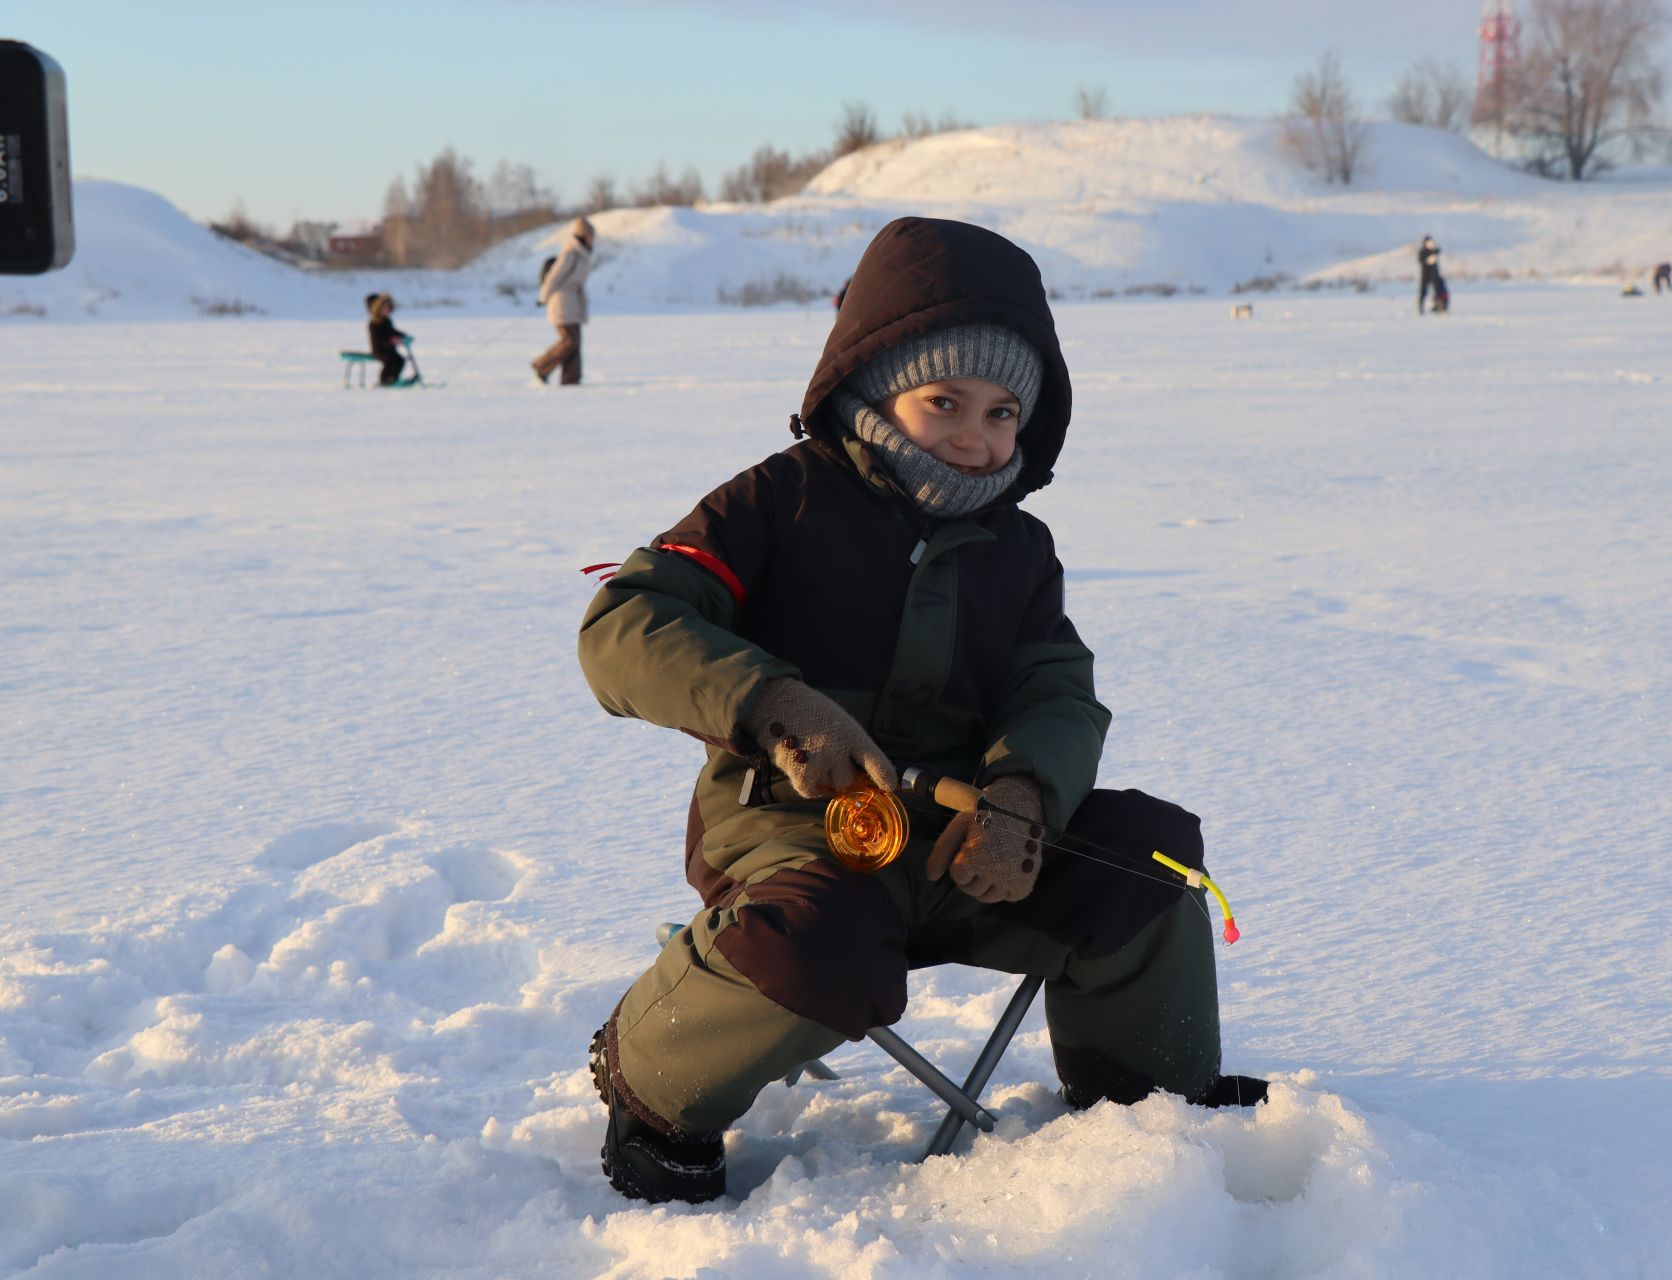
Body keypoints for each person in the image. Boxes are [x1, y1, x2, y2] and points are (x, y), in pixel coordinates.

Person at [578, 217, 1265, 1205]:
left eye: (1002, 413)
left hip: (968, 849)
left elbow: (1057, 688)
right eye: (945, 400)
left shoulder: (1019, 548)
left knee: (1145, 859)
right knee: (820, 938)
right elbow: (624, 621)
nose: (977, 436)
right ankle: (647, 1080)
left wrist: (1026, 793)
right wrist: (775, 702)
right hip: (794, 835)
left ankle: (1152, 1111)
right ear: (873, 377)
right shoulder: (779, 501)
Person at [533, 216, 594, 385]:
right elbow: (554, 276)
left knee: (575, 342)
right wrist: (543, 297)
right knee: (570, 341)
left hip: (573, 303)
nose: (592, 240)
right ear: (583, 236)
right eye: (590, 236)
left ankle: (571, 379)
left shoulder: (581, 254)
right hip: (561, 303)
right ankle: (542, 365)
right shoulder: (570, 253)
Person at [365, 292, 411, 386]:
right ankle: (384, 381)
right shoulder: (374, 324)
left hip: (389, 349)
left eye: (388, 309)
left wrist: (403, 336)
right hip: (380, 350)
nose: (387, 311)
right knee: (390, 361)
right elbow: (380, 339)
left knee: (400, 360)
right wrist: (391, 341)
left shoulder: (387, 321)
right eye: (384, 309)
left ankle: (393, 379)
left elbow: (392, 332)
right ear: (378, 309)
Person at [1417, 235, 1446, 315]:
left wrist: (1433, 250)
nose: (1430, 244)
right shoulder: (1422, 251)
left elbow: (1438, 250)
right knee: (1423, 292)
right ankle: (1420, 309)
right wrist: (1428, 260)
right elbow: (1421, 260)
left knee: (1437, 291)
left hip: (1434, 275)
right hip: (1425, 275)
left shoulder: (1434, 250)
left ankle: (1439, 307)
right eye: (1428, 242)